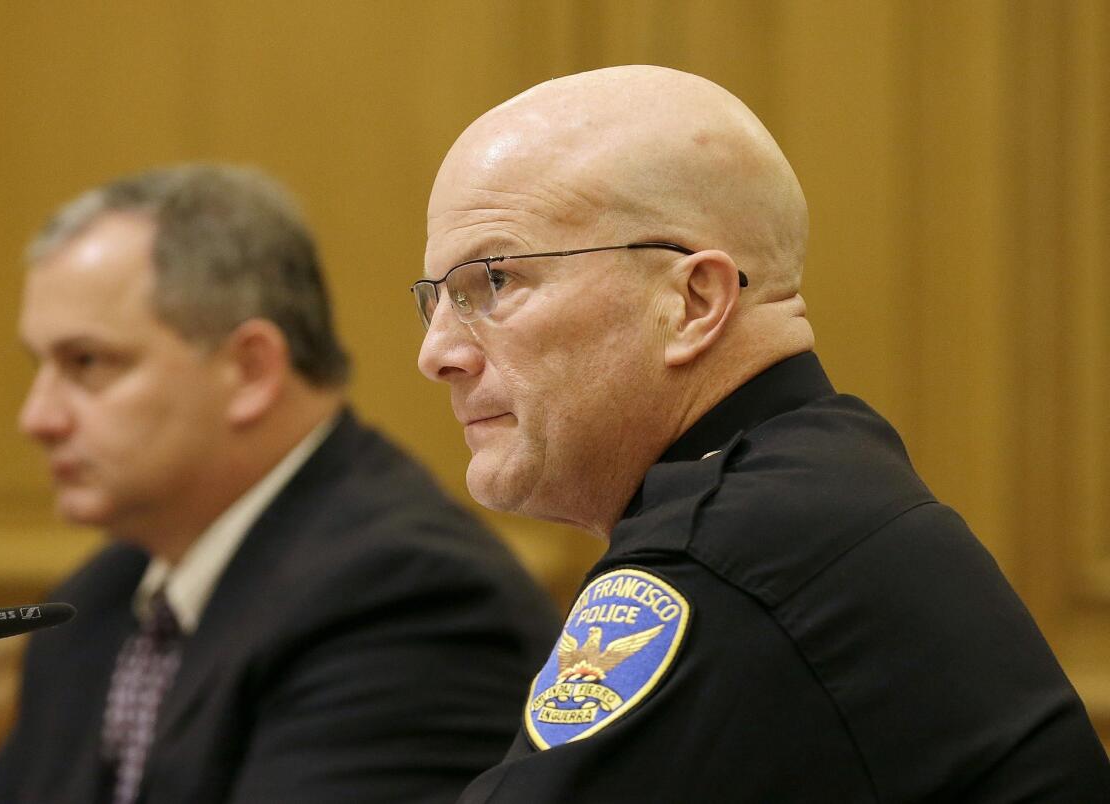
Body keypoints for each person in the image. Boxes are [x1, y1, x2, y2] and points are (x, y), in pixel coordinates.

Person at [414, 65, 1110, 802]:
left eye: (493, 282)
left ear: (692, 300)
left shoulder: (726, 563)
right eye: (435, 300)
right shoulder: (811, 482)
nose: (437, 355)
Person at [0, 164, 559, 804]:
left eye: (86, 363)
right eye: (40, 366)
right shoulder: (100, 600)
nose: (37, 418)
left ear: (250, 371)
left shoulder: (407, 601)